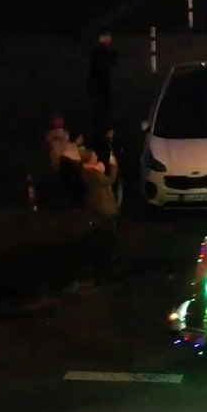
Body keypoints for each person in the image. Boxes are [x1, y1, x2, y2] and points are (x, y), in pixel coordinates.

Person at [79, 147, 121, 276]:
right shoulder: (93, 174)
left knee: (104, 231)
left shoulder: (90, 172)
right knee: (107, 232)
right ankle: (107, 261)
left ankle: (106, 258)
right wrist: (113, 167)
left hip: (101, 205)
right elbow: (109, 180)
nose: (96, 157)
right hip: (103, 206)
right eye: (94, 156)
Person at [86, 33, 117, 144]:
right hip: (101, 86)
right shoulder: (102, 54)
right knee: (101, 109)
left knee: (100, 108)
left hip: (99, 86)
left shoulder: (97, 52)